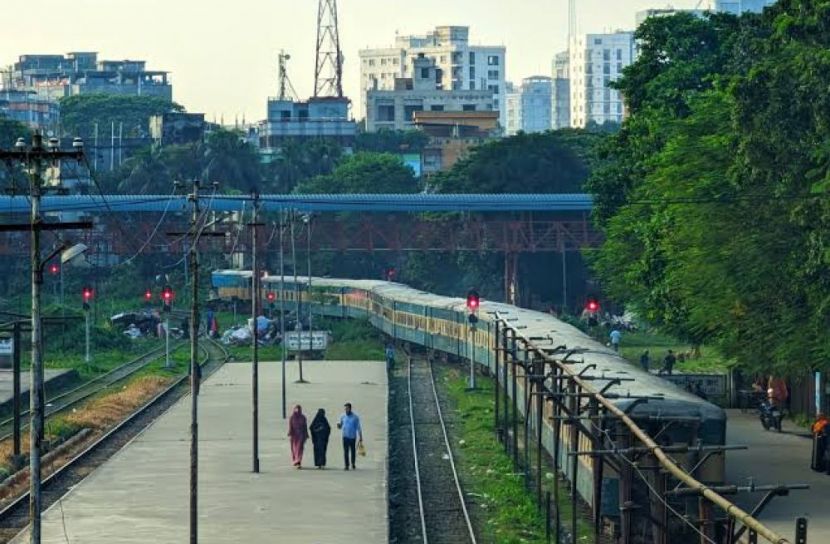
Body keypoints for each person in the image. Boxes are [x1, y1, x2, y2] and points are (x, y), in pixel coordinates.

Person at [337, 402, 363, 470]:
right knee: (345, 451)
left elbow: (358, 427)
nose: (346, 410)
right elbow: (341, 425)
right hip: (345, 436)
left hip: (352, 437)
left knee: (352, 451)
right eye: (345, 409)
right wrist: (339, 426)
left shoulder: (355, 417)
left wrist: (360, 436)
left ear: (350, 409)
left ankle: (353, 463)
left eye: (347, 409)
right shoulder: (343, 416)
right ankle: (346, 465)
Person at [287, 405, 309, 469]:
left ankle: (298, 461)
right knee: (294, 449)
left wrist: (306, 434)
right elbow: (290, 426)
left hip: (301, 435)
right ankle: (295, 460)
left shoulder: (303, 417)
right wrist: (290, 432)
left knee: (299, 449)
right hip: (294, 436)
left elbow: (305, 426)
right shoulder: (292, 417)